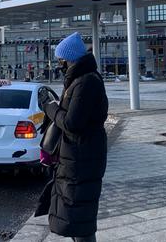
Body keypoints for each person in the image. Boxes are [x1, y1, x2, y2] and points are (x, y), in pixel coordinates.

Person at [39, 32, 108, 242]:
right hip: (78, 157)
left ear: (70, 58)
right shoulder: (81, 80)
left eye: (61, 59)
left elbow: (71, 124)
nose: (60, 64)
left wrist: (50, 108)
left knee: (80, 219)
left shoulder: (86, 83)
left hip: (81, 158)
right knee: (77, 217)